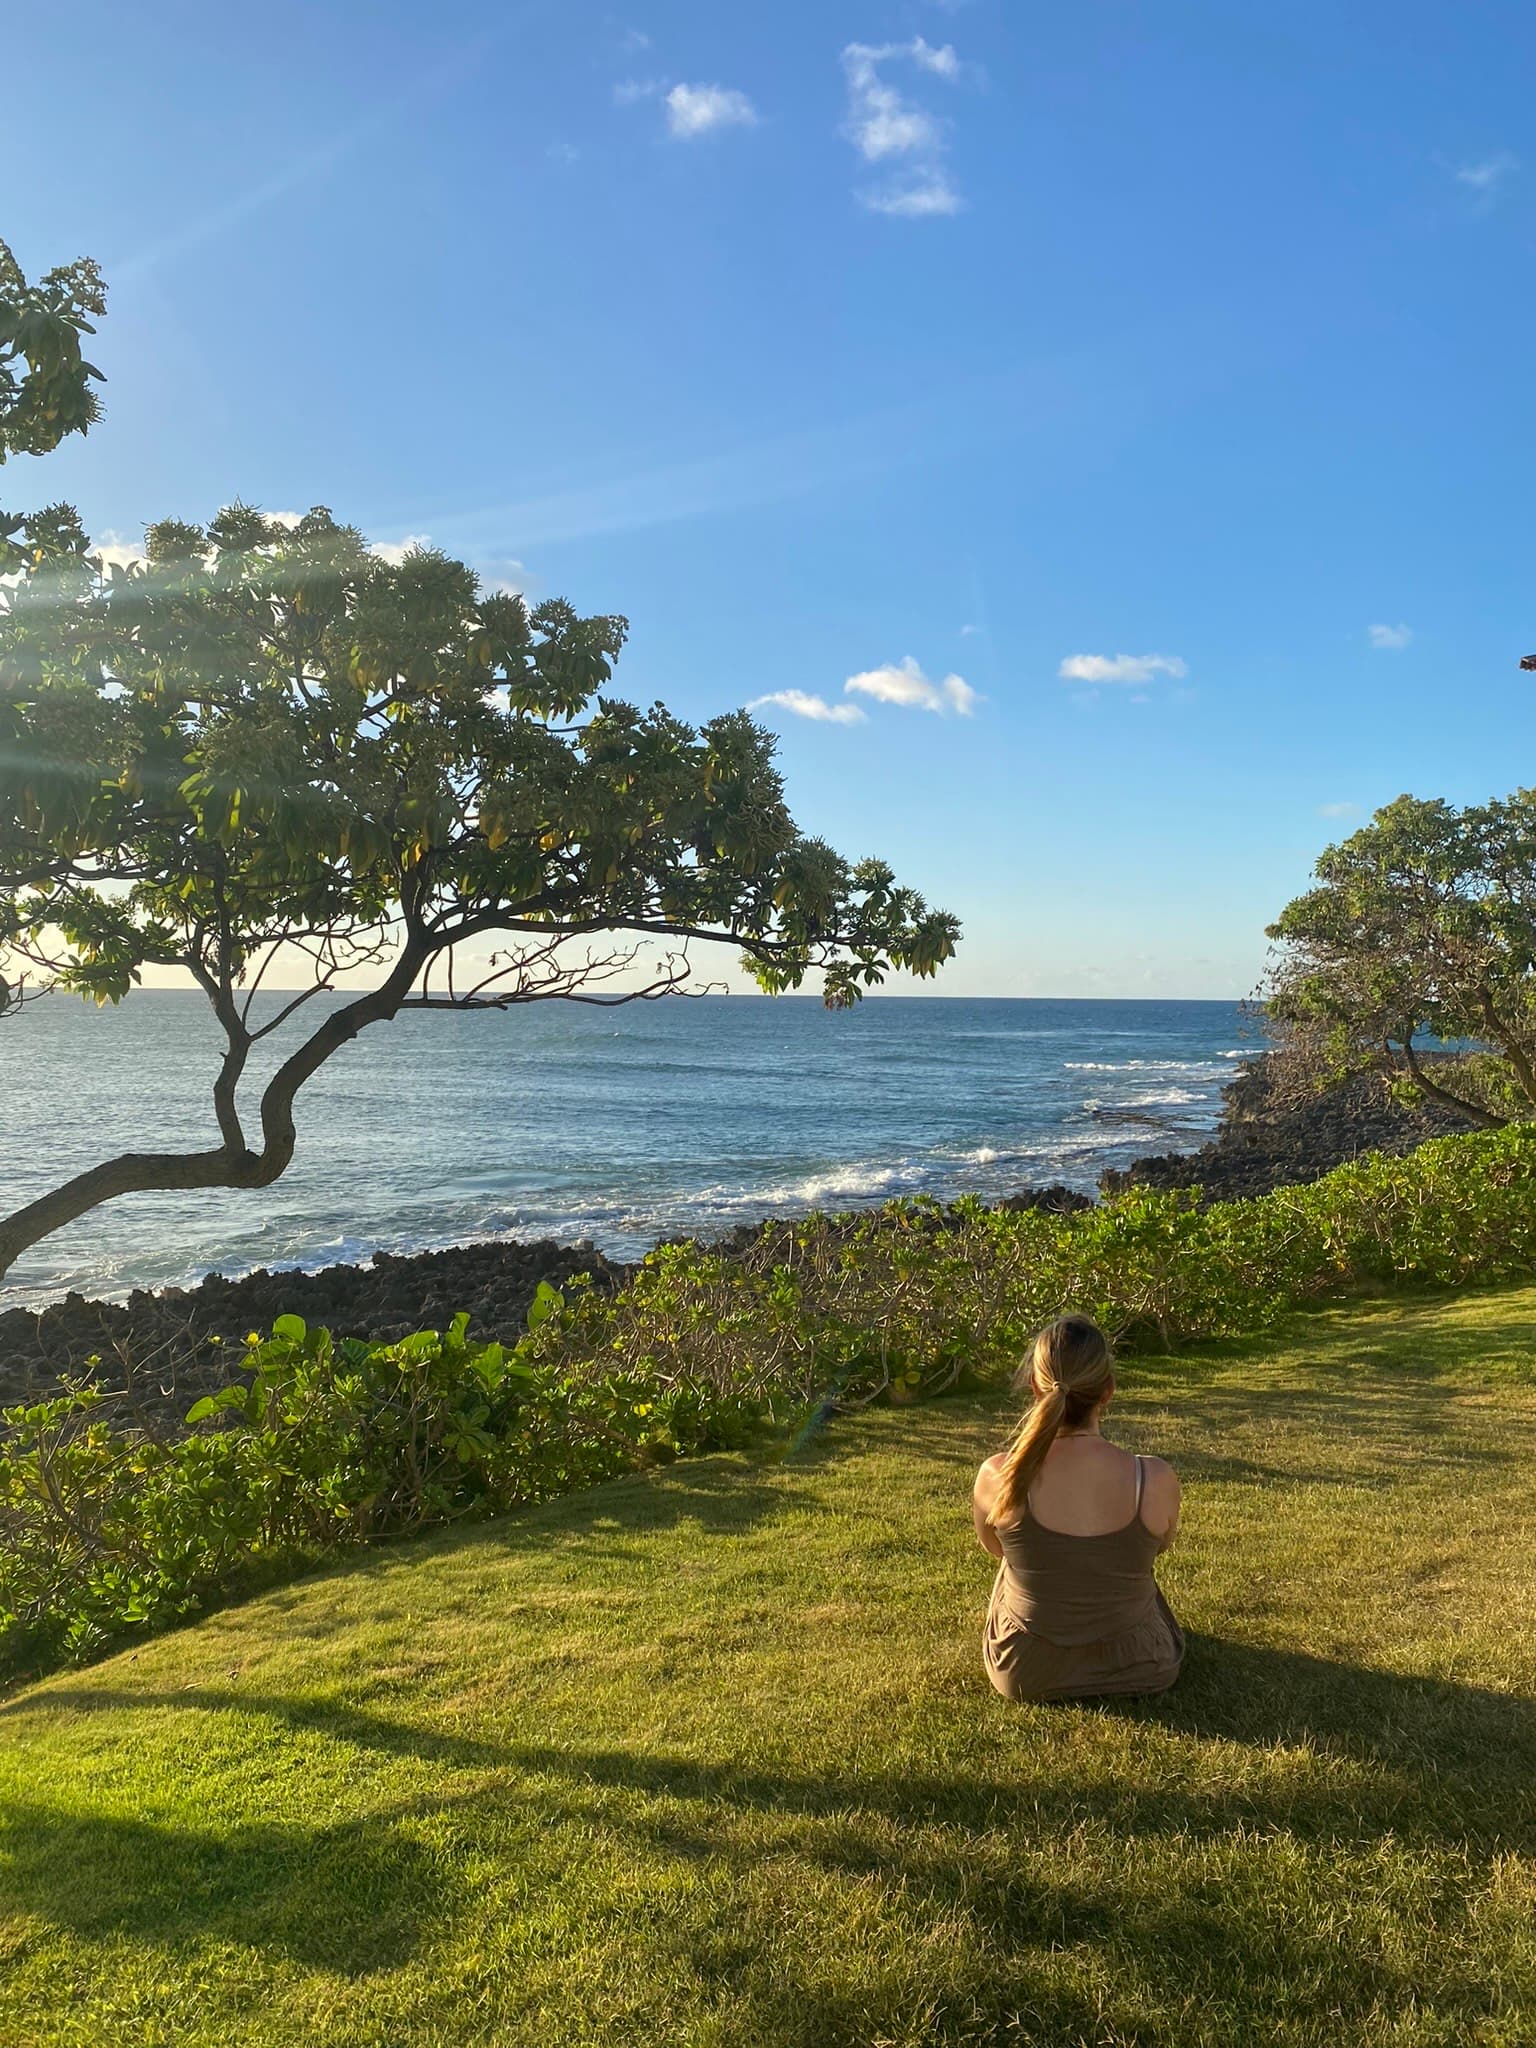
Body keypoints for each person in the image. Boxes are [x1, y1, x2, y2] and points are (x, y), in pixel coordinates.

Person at [971, 1313, 1183, 1702]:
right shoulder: (1153, 1477)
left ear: (1035, 1387)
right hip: (1143, 1663)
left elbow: (995, 1549)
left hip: (1025, 1670)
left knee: (1013, 1560)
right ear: (1108, 1391)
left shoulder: (998, 1475)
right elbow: (1161, 1546)